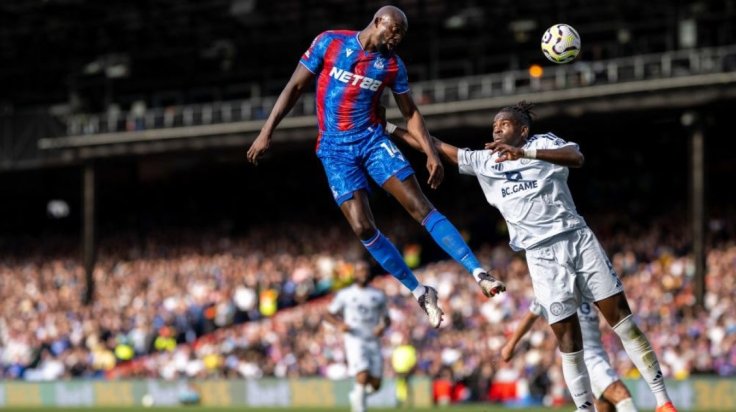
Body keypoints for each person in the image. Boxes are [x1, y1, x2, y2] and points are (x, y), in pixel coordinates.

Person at [385, 101, 677, 412]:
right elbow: (437, 146)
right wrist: (390, 129)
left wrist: (524, 153)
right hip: (539, 255)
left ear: (523, 130)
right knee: (568, 344)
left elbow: (576, 157)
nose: (497, 128)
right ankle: (584, 409)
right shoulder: (486, 161)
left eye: (505, 124)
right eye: (495, 124)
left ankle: (663, 402)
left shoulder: (544, 143)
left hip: (576, 239)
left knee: (624, 322)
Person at [246, 5, 505, 328]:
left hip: (372, 142)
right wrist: (266, 132)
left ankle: (478, 271)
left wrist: (430, 153)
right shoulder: (329, 43)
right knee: (362, 227)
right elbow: (294, 87)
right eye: (394, 31)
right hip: (334, 150)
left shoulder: (392, 66)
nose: (397, 38)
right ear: (378, 22)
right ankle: (421, 291)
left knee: (419, 206)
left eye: (402, 35)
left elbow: (410, 113)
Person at [502, 300, 639, 412]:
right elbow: (530, 316)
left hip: (600, 353)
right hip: (585, 355)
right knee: (621, 394)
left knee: (606, 408)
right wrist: (511, 345)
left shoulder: (588, 281)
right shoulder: (551, 287)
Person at [324, 262, 390, 412]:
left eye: (366, 271)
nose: (364, 274)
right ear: (354, 274)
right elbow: (328, 314)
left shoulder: (378, 295)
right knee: (362, 373)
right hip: (355, 339)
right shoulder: (345, 294)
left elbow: (387, 319)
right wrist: (339, 325)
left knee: (376, 384)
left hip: (373, 340)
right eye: (360, 271)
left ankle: (357, 396)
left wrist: (382, 327)